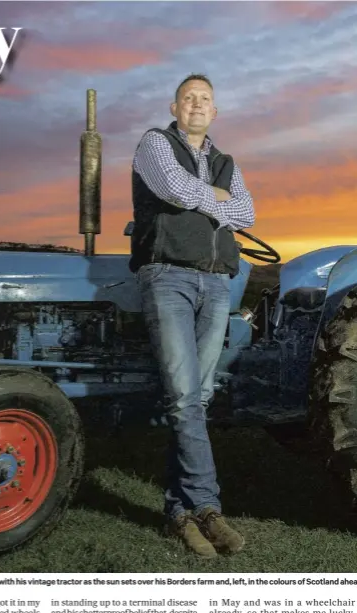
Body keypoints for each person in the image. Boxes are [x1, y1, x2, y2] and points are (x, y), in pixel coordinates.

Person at [131, 73, 255, 558]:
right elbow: (171, 188)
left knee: (195, 399)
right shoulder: (154, 144)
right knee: (185, 398)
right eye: (189, 99)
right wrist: (216, 200)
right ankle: (207, 508)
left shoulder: (226, 161)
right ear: (175, 106)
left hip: (217, 282)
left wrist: (214, 199)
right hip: (169, 277)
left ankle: (177, 512)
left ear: (215, 112)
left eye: (205, 100)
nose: (197, 105)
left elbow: (247, 213)